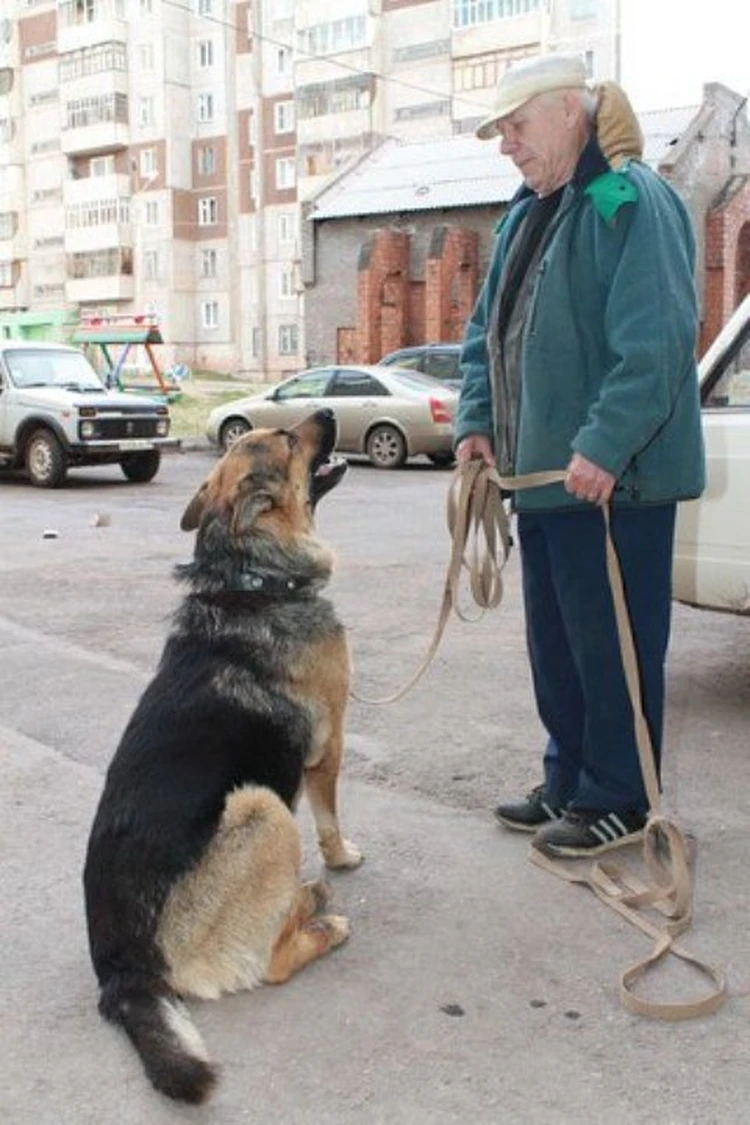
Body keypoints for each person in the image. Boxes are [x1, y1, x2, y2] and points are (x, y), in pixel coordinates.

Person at [454, 54, 705, 858]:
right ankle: (568, 780)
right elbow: (483, 333)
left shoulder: (627, 200)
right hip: (544, 483)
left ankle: (621, 797)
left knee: (613, 645)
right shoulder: (530, 212)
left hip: (614, 484)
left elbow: (657, 344)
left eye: (516, 127)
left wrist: (601, 444)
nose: (507, 146)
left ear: (569, 112)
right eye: (499, 134)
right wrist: (476, 420)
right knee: (557, 642)